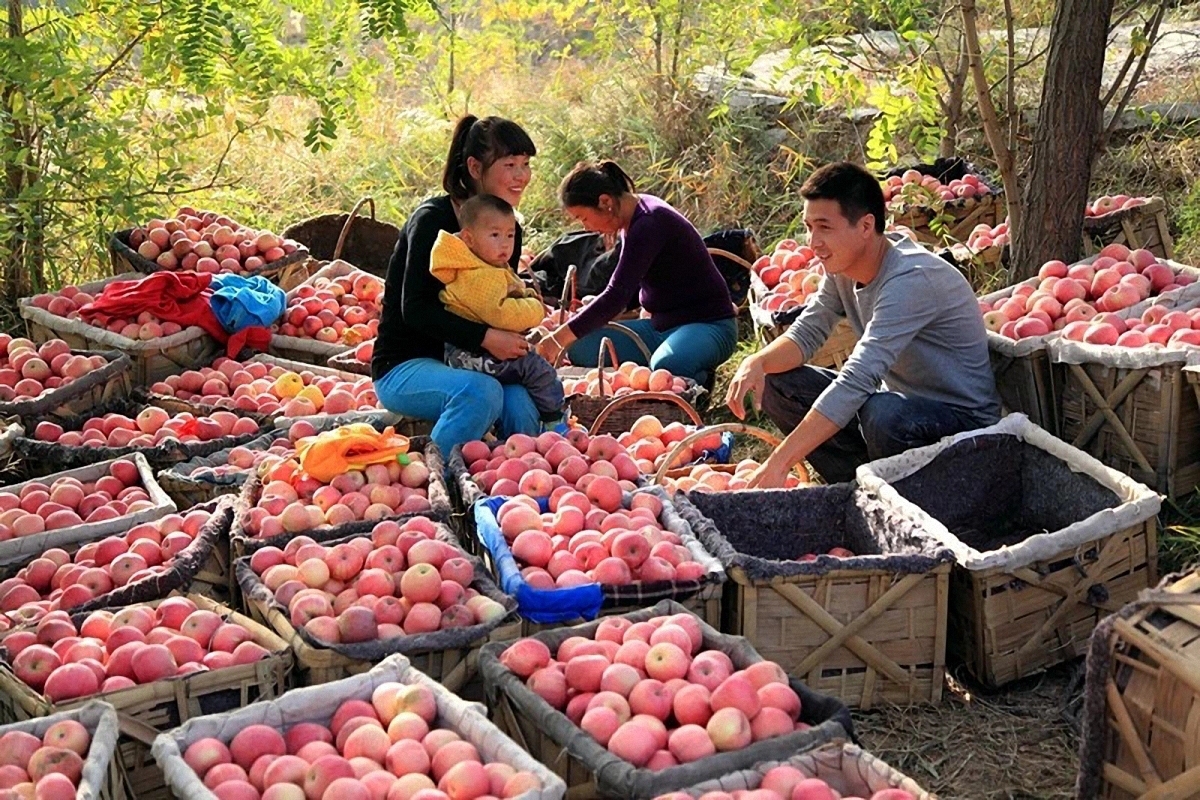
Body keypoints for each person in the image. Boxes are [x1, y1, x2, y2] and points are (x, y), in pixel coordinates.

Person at [725, 161, 1001, 488]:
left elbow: (859, 377)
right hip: (900, 409)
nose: (813, 242)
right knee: (776, 380)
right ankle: (855, 488)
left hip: (963, 427)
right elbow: (807, 333)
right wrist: (757, 362)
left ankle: (918, 500)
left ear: (866, 226)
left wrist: (781, 460)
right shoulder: (842, 269)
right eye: (809, 226)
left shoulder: (909, 280)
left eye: (825, 227)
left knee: (883, 415)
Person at [372, 115, 540, 455]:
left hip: (473, 363)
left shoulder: (508, 229)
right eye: (510, 164)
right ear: (475, 167)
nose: (521, 176)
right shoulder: (433, 220)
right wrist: (488, 338)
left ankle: (520, 489)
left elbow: (498, 302)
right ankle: (437, 478)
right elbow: (415, 309)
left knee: (522, 403)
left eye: (525, 164)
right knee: (482, 393)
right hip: (406, 366)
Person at [534, 160, 738, 388]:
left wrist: (556, 338)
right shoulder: (631, 221)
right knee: (580, 346)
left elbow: (617, 295)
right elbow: (628, 288)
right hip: (660, 328)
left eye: (583, 217)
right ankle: (676, 365)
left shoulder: (650, 221)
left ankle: (697, 380)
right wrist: (580, 324)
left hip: (708, 325)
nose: (585, 227)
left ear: (605, 202)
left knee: (666, 367)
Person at [429, 193, 565, 424]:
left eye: (510, 235)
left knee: (530, 363)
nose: (505, 243)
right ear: (469, 239)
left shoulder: (487, 266)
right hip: (471, 353)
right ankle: (554, 420)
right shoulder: (476, 276)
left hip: (479, 349)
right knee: (537, 369)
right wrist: (535, 308)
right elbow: (501, 315)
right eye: (494, 235)